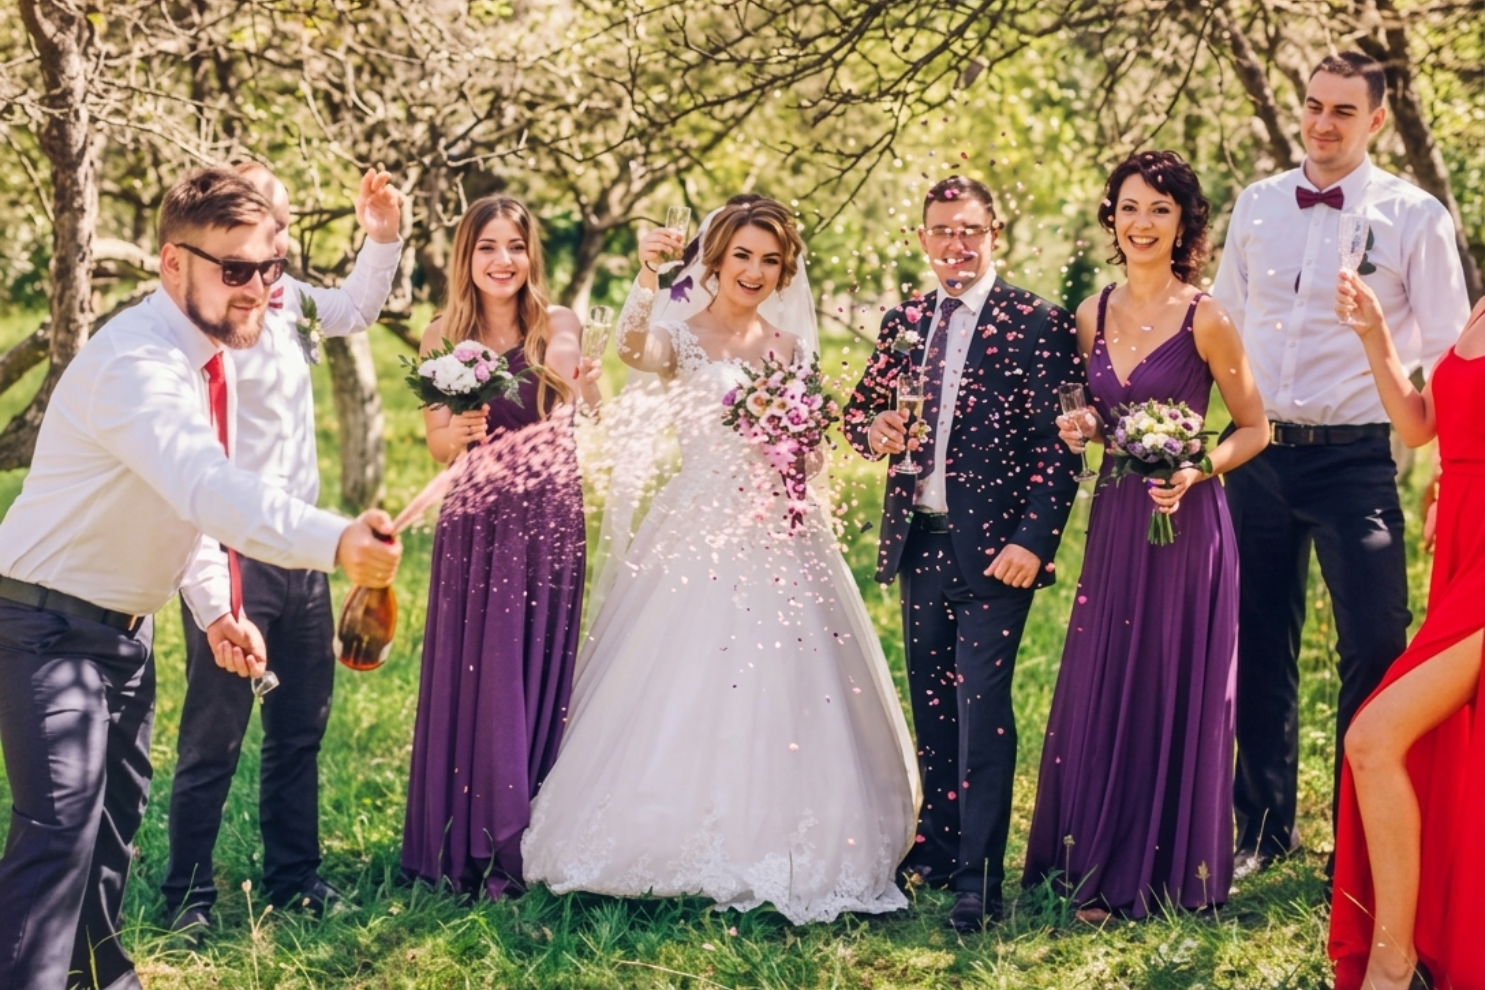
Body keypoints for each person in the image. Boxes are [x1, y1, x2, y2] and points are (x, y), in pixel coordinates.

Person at [0, 166, 401, 990]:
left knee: (111, 832)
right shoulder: (139, 367)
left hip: (123, 631)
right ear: (170, 263)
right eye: (235, 268)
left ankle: (100, 975)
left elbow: (174, 512)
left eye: (270, 267)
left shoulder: (206, 358)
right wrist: (337, 542)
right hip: (45, 631)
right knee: (59, 840)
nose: (258, 288)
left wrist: (216, 611)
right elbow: (206, 487)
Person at [520, 197, 919, 924]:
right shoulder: (681, 336)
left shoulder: (789, 347)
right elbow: (630, 349)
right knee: (684, 673)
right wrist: (646, 276)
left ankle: (787, 831)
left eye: (770, 260)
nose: (755, 272)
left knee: (793, 682)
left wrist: (797, 461)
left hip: (782, 528)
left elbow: (807, 445)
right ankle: (662, 828)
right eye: (742, 256)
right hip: (699, 524)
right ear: (714, 260)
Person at [1211, 51, 1470, 873]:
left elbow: (1452, 361)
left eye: (1342, 112)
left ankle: (1360, 836)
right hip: (1256, 453)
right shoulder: (1254, 205)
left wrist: (1442, 476)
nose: (1321, 124)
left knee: (1373, 640)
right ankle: (1260, 829)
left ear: (1376, 121)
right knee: (1257, 642)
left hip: (1355, 460)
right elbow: (1217, 330)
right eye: (1313, 106)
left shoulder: (1415, 216)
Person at [1022, 151, 1268, 920]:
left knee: (1169, 679)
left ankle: (1166, 872)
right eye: (1130, 207)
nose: (1141, 223)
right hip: (1118, 518)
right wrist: (1085, 425)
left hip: (1186, 520)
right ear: (1111, 216)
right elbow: (1099, 417)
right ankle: (1095, 859)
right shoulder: (1090, 312)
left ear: (1183, 224)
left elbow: (1255, 428)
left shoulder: (1208, 317)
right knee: (1109, 676)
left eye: (1159, 210)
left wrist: (1200, 468)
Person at [161, 163, 405, 938]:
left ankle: (294, 879)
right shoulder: (202, 321)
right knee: (214, 736)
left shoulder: (294, 301)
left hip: (306, 547)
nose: (276, 242)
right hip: (228, 549)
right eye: (263, 223)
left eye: (283, 223)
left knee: (300, 727)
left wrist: (383, 235)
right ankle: (187, 896)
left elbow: (362, 306)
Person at [842, 175, 1081, 932]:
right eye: (943, 230)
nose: (957, 243)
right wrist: (875, 431)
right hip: (921, 543)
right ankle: (939, 851)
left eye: (970, 229)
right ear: (923, 240)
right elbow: (858, 414)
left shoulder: (1036, 322)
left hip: (996, 555)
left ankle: (979, 879)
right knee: (934, 708)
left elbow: (1061, 446)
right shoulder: (904, 320)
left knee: (982, 710)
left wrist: (1031, 541)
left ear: (994, 233)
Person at [401, 195, 596, 902]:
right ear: (466, 257)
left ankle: (526, 840)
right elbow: (435, 444)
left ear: (531, 254)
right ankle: (466, 841)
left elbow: (586, 406)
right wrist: (456, 432)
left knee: (530, 672)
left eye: (515, 245)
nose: (503, 259)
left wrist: (587, 384)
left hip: (547, 520)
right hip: (476, 522)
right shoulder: (438, 335)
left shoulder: (559, 326)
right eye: (488, 246)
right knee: (479, 676)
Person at [1329, 276, 1485, 990]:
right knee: (1434, 753)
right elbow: (1424, 425)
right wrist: (1372, 334)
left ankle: (1393, 968)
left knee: (1374, 737)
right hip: (1458, 546)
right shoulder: (1481, 304)